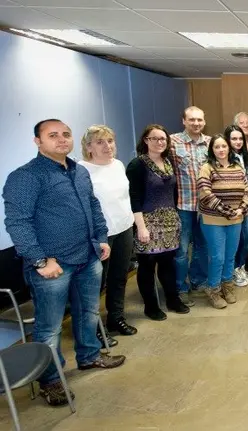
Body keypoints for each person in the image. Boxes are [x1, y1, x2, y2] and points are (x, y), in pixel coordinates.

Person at [3, 119, 125, 407]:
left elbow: (93, 206)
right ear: (38, 141)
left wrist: (101, 238)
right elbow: (18, 223)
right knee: (50, 327)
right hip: (52, 265)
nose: (61, 140)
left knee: (88, 311)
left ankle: (90, 356)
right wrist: (39, 260)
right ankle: (51, 379)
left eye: (65, 134)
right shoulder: (25, 177)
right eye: (52, 135)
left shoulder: (79, 172)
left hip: (88, 256)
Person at [78, 125, 137, 342]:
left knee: (119, 278)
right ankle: (93, 331)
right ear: (88, 147)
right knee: (95, 284)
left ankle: (116, 318)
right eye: (100, 142)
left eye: (110, 141)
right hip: (100, 236)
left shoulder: (118, 165)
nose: (107, 146)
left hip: (124, 228)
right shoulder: (81, 170)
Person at [127, 125, 190, 320]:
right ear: (146, 140)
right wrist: (141, 227)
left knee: (167, 264)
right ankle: (151, 306)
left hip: (170, 220)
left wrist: (176, 216)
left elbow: (173, 192)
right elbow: (133, 198)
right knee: (147, 266)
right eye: (154, 138)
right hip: (147, 221)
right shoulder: (138, 165)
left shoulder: (168, 161)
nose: (160, 142)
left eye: (163, 139)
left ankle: (172, 300)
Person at [197, 134, 248, 309]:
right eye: (217, 147)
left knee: (230, 256)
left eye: (224, 146)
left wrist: (241, 210)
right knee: (217, 257)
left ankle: (227, 287)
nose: (221, 150)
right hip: (213, 220)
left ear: (229, 148)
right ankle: (213, 289)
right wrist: (228, 211)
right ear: (212, 150)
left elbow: (246, 191)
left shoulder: (238, 168)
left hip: (236, 218)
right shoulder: (207, 167)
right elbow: (205, 193)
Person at [169, 106, 210, 307]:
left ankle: (198, 280)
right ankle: (180, 288)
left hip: (205, 207)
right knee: (182, 250)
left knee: (203, 247)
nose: (196, 123)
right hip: (183, 205)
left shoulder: (210, 143)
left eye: (200, 120)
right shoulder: (172, 142)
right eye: (192, 119)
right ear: (184, 121)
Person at [226, 125, 248, 287]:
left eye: (240, 139)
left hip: (246, 204)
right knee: (235, 240)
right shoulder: (226, 158)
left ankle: (240, 266)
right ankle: (233, 271)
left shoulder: (244, 156)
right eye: (234, 138)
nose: (237, 142)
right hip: (232, 206)